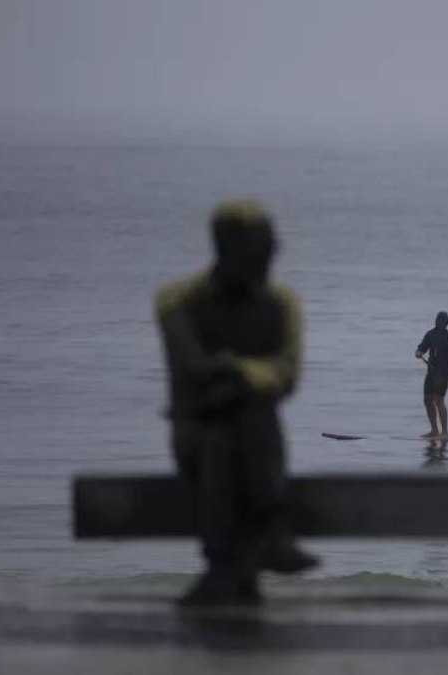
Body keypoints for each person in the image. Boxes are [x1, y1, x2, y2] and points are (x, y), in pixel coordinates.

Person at [154, 200, 318, 607]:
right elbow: (192, 369)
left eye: (270, 249)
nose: (268, 259)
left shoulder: (282, 304)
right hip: (198, 434)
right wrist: (246, 375)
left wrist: (232, 375)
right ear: (226, 249)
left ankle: (222, 565)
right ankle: (270, 529)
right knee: (233, 424)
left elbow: (287, 374)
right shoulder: (178, 302)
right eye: (259, 250)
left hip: (248, 437)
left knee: (244, 415)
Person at [415, 311, 448, 440]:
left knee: (439, 400)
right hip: (431, 372)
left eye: (443, 322)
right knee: (427, 400)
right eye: (438, 321)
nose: (440, 324)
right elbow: (423, 347)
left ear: (447, 323)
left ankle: (445, 432)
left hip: (443, 374)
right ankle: (434, 430)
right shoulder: (430, 334)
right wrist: (419, 352)